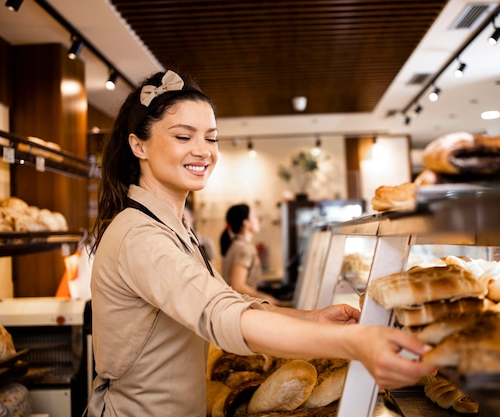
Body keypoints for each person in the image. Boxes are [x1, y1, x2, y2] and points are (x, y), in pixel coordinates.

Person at [87, 69, 435, 416]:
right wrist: (353, 342)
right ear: (138, 145)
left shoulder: (171, 226)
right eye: (183, 137)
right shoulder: (139, 234)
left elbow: (229, 298)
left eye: (211, 138)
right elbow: (220, 315)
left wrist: (310, 319)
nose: (203, 151)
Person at [220, 203, 281, 305]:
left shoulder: (236, 244)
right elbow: (237, 285)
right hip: (241, 305)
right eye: (254, 217)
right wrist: (265, 298)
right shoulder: (243, 249)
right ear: (246, 223)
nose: (257, 220)